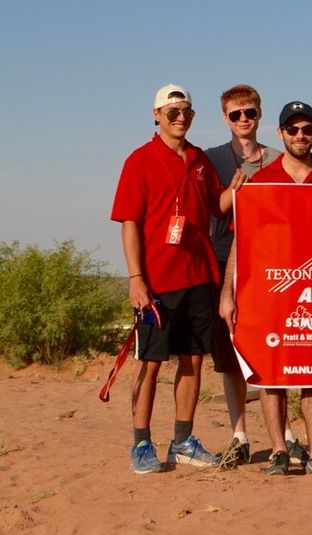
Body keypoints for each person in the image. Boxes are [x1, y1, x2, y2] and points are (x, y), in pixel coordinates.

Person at [112, 84, 242, 473]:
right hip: (157, 282)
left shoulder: (200, 161)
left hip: (200, 275)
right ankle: (141, 444)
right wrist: (136, 278)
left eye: (186, 111)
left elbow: (215, 210)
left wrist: (234, 192)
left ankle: (183, 440)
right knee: (150, 363)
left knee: (192, 362)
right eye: (173, 112)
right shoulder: (139, 160)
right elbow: (129, 223)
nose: (181, 117)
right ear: (156, 115)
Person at [219, 101, 312, 476]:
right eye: (293, 130)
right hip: (269, 292)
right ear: (281, 134)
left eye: (307, 129)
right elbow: (242, 241)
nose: (300, 136)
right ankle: (277, 450)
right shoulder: (261, 181)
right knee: (272, 372)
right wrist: (227, 292)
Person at [204, 84, 282, 466]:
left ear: (259, 114)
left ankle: (284, 434)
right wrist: (233, 194)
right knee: (231, 354)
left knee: (274, 349)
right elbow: (212, 212)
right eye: (235, 114)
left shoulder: (277, 159)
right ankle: (239, 434)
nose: (243, 120)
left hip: (269, 263)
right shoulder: (212, 159)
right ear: (225, 118)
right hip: (224, 260)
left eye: (249, 113)